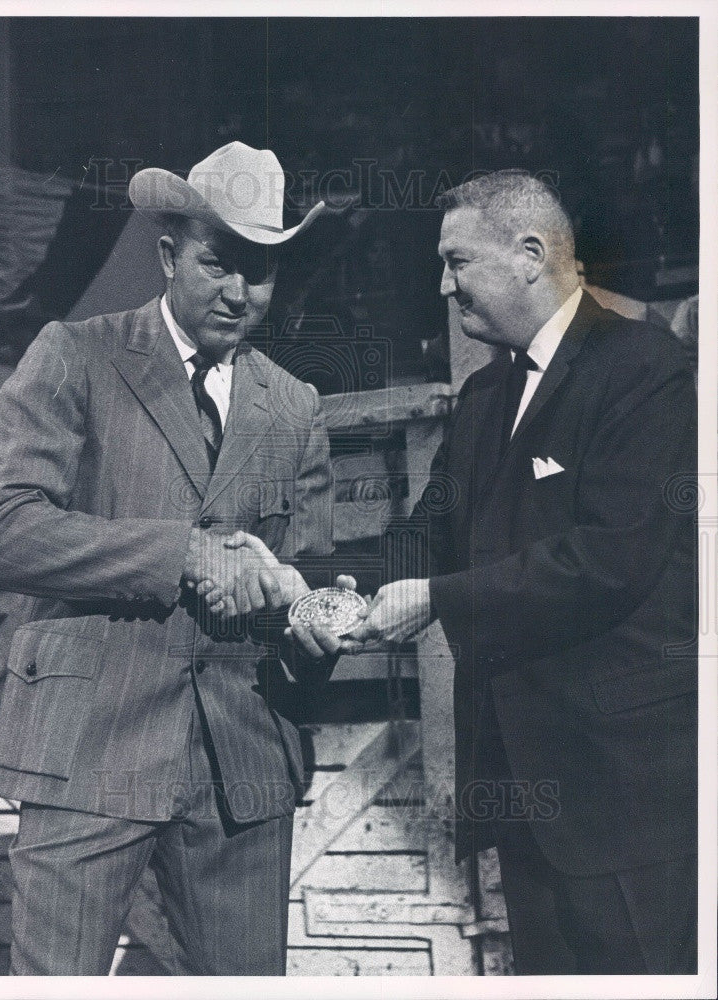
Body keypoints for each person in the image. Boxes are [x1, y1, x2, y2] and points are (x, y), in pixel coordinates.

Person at [226, 170, 698, 974]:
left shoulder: (645, 368)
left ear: (528, 254)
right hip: (522, 794)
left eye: (456, 262)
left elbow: (610, 559)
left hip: (625, 797)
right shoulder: (484, 395)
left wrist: (436, 601)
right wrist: (302, 588)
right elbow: (422, 541)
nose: (442, 287)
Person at [0, 141, 349, 976]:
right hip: (87, 752)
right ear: (169, 255)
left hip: (241, 769)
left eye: (262, 274)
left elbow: (299, 572)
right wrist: (184, 553)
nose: (239, 294)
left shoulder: (294, 406)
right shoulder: (77, 355)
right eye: (217, 265)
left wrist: (313, 623)